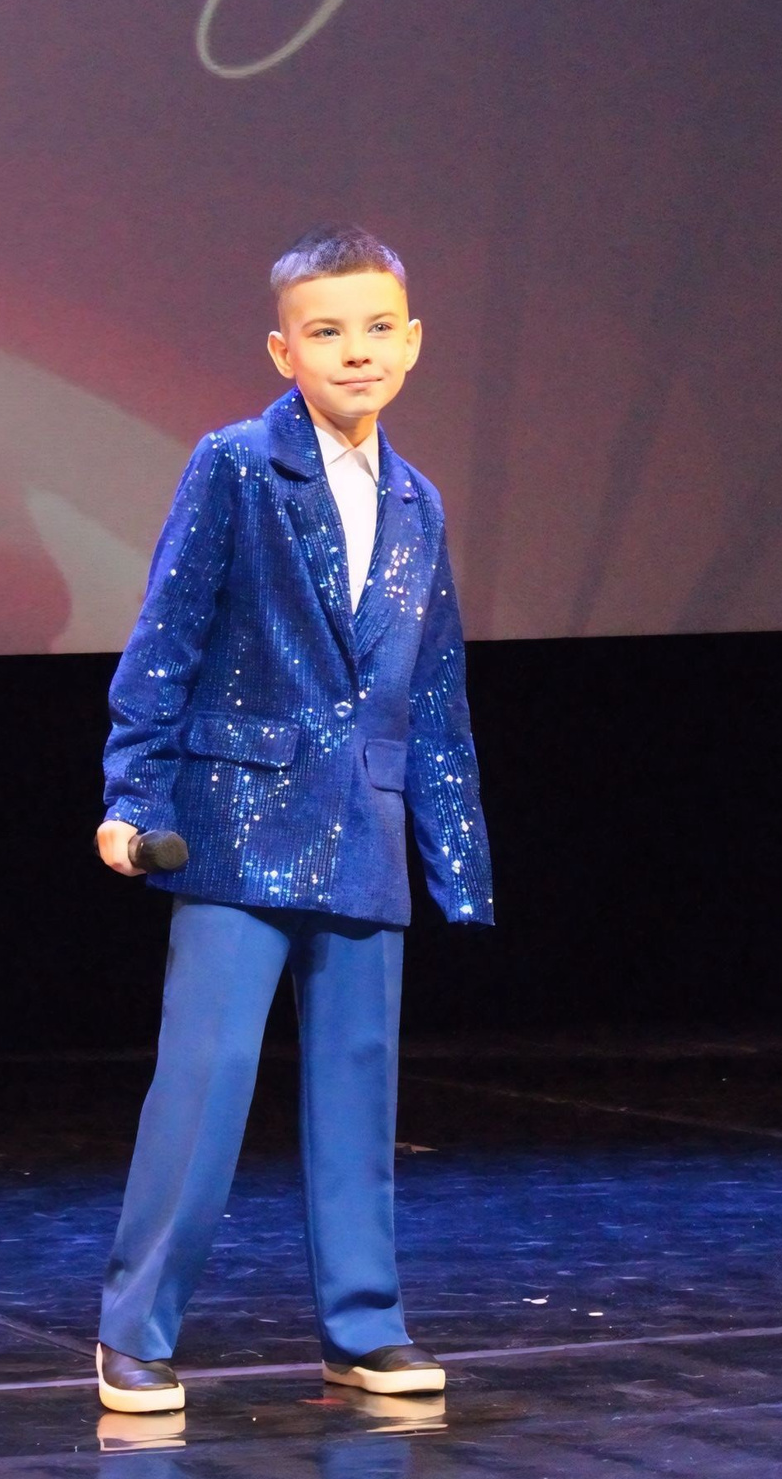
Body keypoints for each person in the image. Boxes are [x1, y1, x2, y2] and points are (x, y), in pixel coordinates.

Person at [92, 224, 493, 1413]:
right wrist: (132, 795)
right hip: (236, 816)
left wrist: (456, 854)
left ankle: (364, 1326)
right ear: (285, 350)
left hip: (363, 822)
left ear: (411, 343)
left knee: (359, 1086)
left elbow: (434, 687)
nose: (355, 351)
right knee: (206, 1078)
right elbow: (166, 637)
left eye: (376, 328)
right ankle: (136, 1327)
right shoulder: (235, 465)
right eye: (326, 331)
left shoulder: (418, 501)